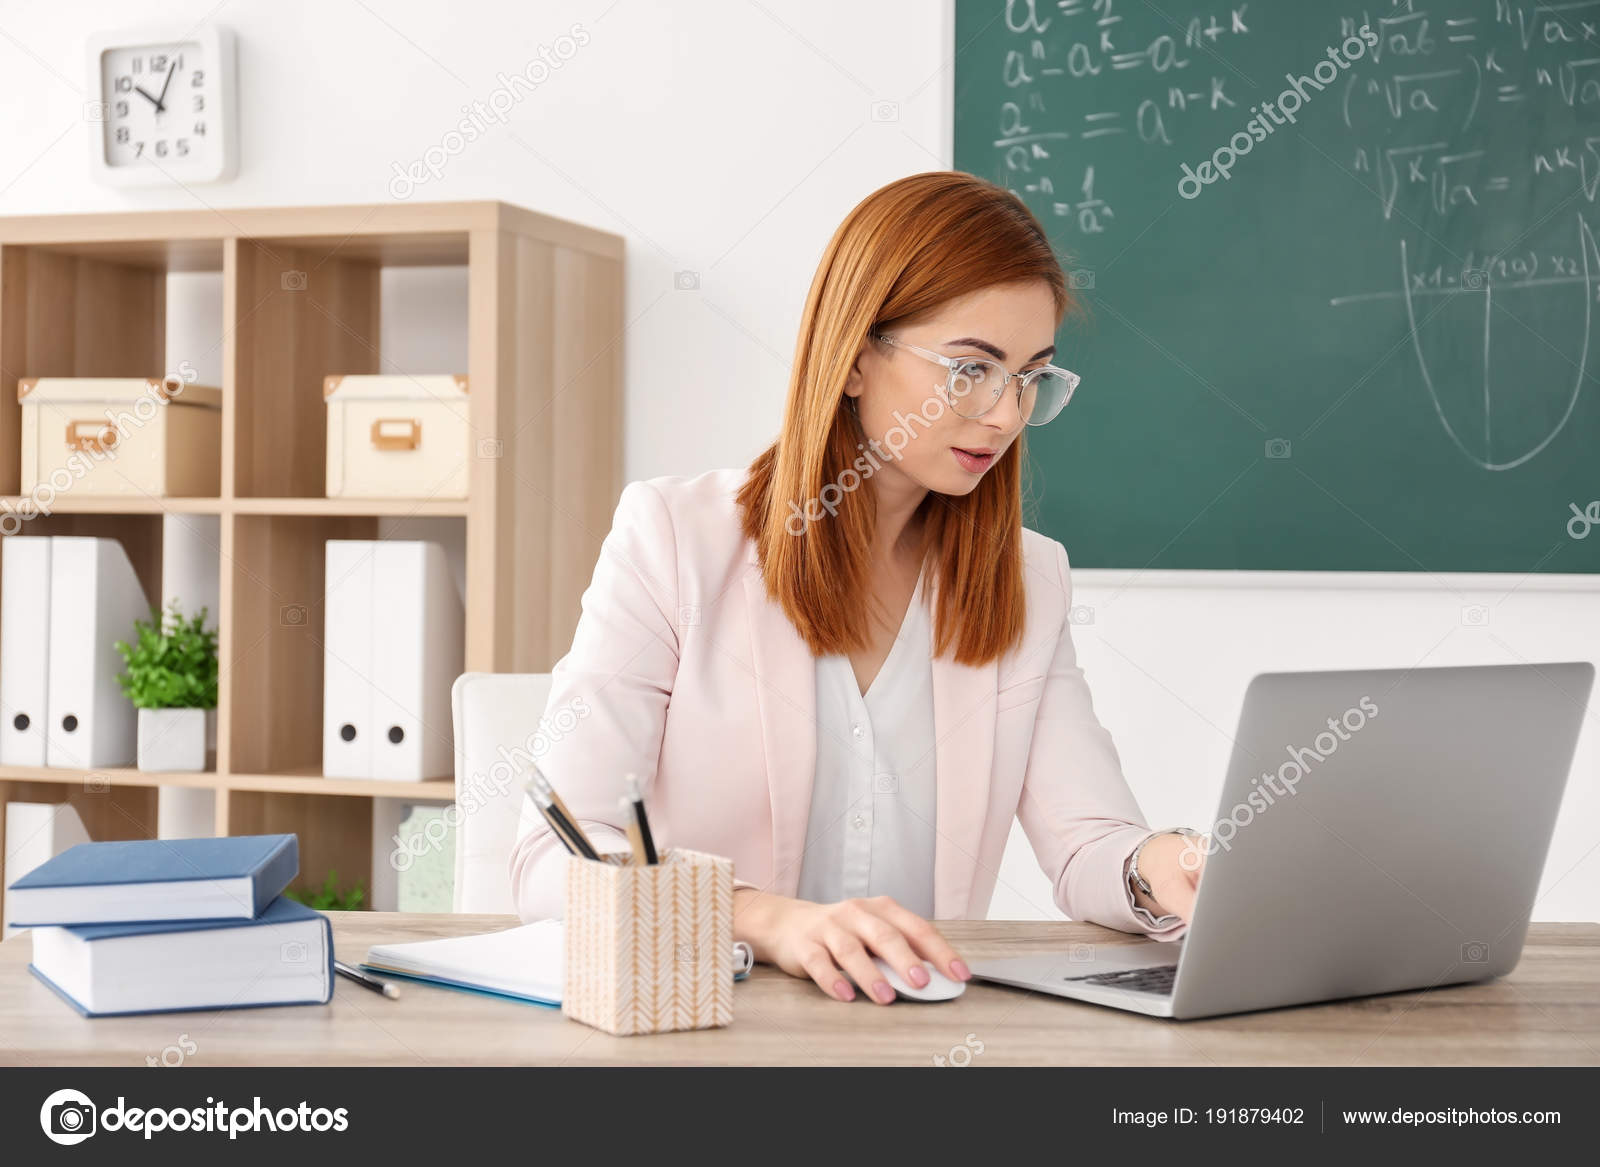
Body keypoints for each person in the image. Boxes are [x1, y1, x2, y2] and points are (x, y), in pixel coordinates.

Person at [510, 170, 1206, 1005]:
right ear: (853, 360)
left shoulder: (1030, 576)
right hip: (706, 1031)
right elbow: (554, 858)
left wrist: (1168, 866)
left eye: (1031, 377)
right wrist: (766, 918)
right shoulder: (673, 539)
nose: (1005, 414)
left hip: (915, 1031)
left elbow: (1091, 843)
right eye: (969, 369)